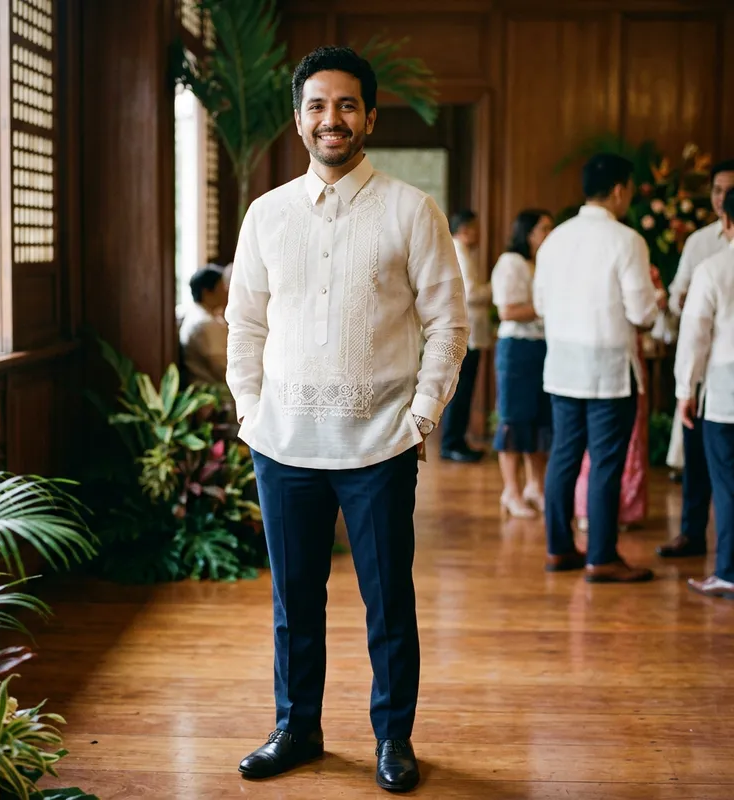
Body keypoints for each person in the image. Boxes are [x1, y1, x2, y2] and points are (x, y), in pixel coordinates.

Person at [225, 46, 468, 793]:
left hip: (379, 445)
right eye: (319, 106)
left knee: (387, 602)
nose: (333, 119)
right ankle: (296, 728)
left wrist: (422, 415)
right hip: (285, 444)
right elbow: (245, 324)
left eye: (348, 105)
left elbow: (448, 324)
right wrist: (250, 410)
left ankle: (393, 739)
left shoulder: (410, 210)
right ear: (299, 120)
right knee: (294, 603)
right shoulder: (266, 214)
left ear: (370, 116)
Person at [533, 153, 658, 582]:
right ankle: (602, 556)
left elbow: (540, 305)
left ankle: (558, 548)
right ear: (621, 189)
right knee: (606, 462)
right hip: (607, 368)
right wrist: (656, 305)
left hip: (564, 365)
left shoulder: (555, 239)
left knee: (564, 457)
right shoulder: (626, 241)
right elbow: (642, 313)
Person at [658, 159, 734, 559]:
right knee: (699, 458)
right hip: (705, 368)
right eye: (718, 190)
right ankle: (691, 532)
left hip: (717, 363)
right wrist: (681, 301)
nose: (722, 198)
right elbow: (676, 295)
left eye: (729, 191)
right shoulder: (700, 243)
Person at [674, 187, 734, 599]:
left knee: (727, 484)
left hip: (726, 389)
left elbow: (695, 336)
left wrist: (685, 389)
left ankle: (728, 571)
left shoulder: (714, 267)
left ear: (726, 222)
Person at [575, 266, 668, 531]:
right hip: (620, 353)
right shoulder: (634, 263)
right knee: (621, 437)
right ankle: (616, 510)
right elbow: (644, 314)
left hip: (582, 355)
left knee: (588, 440)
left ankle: (594, 510)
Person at [491, 209, 554, 518]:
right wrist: (546, 308)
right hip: (516, 348)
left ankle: (535, 487)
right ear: (528, 233)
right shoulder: (510, 263)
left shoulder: (541, 262)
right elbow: (508, 311)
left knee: (539, 420)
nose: (548, 234)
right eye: (544, 228)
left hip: (542, 347)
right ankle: (511, 492)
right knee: (514, 421)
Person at [440, 209, 492, 462]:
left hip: (469, 331)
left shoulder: (460, 250)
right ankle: (453, 442)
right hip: (466, 332)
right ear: (464, 229)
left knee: (464, 389)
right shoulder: (459, 251)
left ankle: (456, 440)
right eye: (474, 227)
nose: (478, 232)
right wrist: (494, 290)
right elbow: (470, 293)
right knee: (461, 390)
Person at [179, 266, 229, 386]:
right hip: (213, 394)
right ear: (207, 293)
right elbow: (223, 368)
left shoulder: (196, 315)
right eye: (222, 288)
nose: (227, 292)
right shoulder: (205, 323)